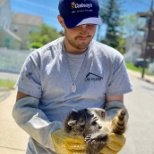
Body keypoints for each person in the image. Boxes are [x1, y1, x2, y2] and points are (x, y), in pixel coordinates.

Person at [12, 0, 132, 153]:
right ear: (61, 21)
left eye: (90, 23)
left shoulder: (112, 60)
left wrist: (111, 129)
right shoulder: (39, 59)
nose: (84, 31)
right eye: (76, 24)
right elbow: (23, 108)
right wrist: (53, 136)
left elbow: (116, 107)